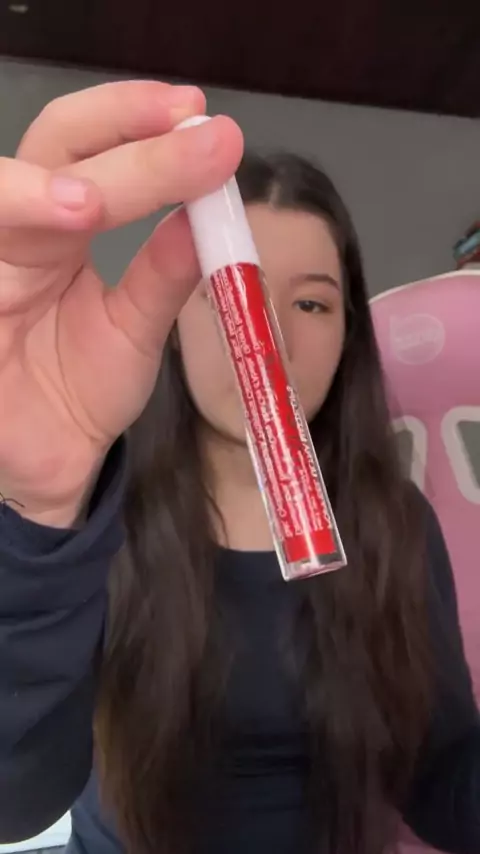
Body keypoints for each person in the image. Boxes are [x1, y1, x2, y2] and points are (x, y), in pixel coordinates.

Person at [0, 80, 479, 854]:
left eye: (313, 304)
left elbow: (444, 778)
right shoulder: (94, 517)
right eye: (231, 297)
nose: (272, 341)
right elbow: (11, 801)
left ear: (350, 335)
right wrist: (44, 512)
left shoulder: (395, 521)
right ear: (173, 320)